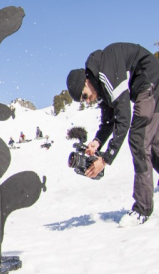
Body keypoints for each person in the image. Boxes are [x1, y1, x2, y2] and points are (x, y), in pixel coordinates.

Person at [66, 42, 159, 224]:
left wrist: (105, 159)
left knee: (138, 139)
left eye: (84, 96)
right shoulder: (100, 85)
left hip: (150, 82)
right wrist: (97, 142)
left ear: (86, 82)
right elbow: (109, 121)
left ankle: (142, 209)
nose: (87, 101)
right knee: (153, 141)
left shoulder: (105, 73)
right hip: (154, 83)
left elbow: (123, 117)